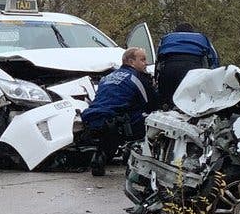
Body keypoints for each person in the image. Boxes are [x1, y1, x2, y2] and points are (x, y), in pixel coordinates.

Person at [82, 47, 156, 176]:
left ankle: (100, 155)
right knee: (151, 118)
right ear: (131, 62)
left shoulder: (107, 77)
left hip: (94, 117)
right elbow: (150, 103)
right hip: (120, 122)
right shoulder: (137, 78)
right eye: (143, 60)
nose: (146, 63)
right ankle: (133, 153)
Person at [155, 22, 219, 108]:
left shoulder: (166, 38)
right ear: (192, 32)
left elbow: (157, 59)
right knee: (192, 102)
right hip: (192, 68)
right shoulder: (201, 37)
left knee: (167, 101)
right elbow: (214, 58)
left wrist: (157, 79)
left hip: (169, 68)